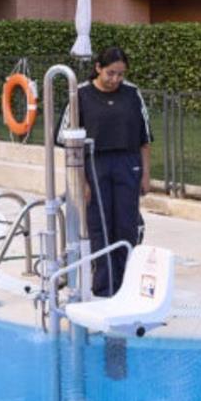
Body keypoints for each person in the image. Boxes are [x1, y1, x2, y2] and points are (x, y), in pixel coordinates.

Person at [73, 47, 152, 297]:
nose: (115, 79)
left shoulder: (132, 94)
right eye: (110, 73)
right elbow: (69, 143)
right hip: (95, 164)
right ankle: (104, 285)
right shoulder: (80, 96)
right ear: (98, 68)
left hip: (128, 163)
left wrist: (146, 175)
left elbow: (145, 137)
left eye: (120, 74)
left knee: (126, 224)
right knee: (100, 225)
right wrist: (81, 181)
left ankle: (126, 281)